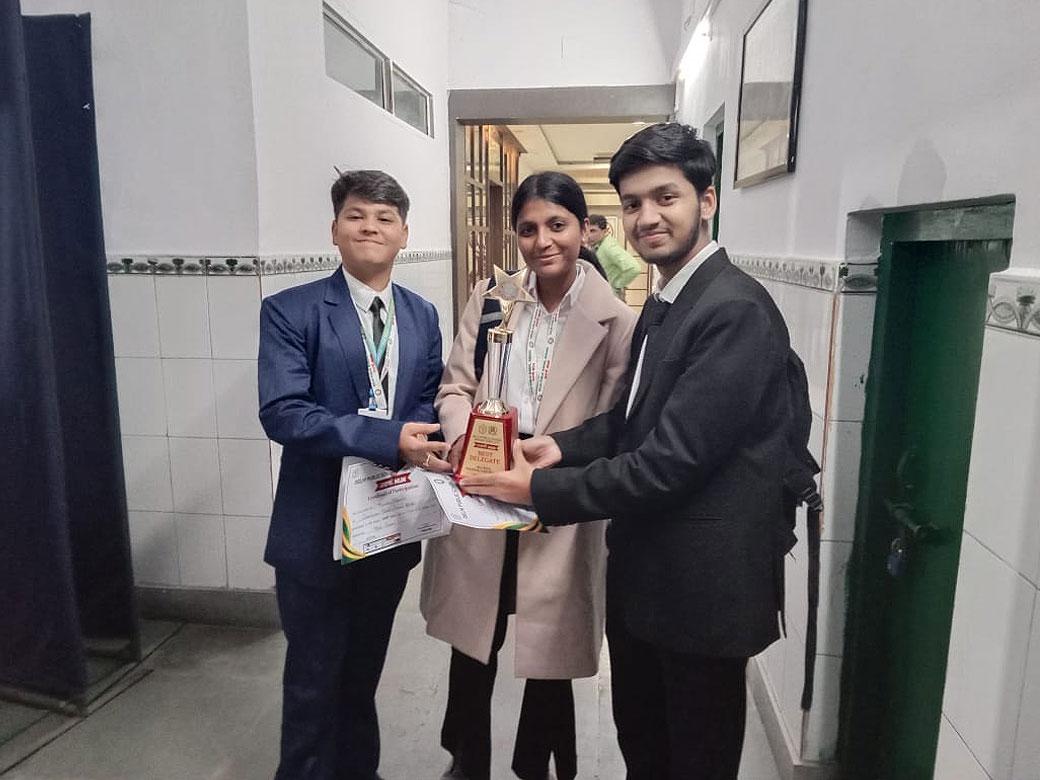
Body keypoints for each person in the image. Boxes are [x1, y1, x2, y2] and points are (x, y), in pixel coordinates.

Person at [461, 123, 794, 780]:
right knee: (646, 750)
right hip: (648, 584)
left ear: (706, 200)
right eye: (634, 203)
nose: (647, 218)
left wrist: (537, 491)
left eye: (666, 197)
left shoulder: (732, 311)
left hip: (700, 598)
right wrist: (557, 447)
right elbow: (631, 423)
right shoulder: (669, 301)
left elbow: (668, 463)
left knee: (691, 761)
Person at [422, 171, 636, 780]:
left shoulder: (616, 320)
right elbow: (455, 386)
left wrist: (559, 461)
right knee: (475, 638)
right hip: (483, 485)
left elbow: (612, 421)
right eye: (528, 228)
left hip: (555, 491)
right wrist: (464, 442)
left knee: (549, 645)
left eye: (557, 225)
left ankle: (537, 762)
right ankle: (467, 760)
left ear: (583, 228)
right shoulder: (493, 298)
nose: (543, 241)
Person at [258, 169, 451, 780]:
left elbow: (425, 399)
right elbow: (284, 412)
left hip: (387, 527)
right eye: (356, 215)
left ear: (404, 234)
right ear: (334, 230)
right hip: (315, 529)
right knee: (313, 681)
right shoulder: (290, 311)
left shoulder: (421, 315)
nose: (370, 227)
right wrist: (386, 438)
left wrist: (426, 440)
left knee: (362, 674)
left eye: (385, 218)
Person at [587, 214, 644, 298]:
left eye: (593, 231)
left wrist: (617, 284)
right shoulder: (598, 246)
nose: (589, 235)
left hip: (609, 296)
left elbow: (634, 267)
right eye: (586, 231)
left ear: (605, 231)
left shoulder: (608, 246)